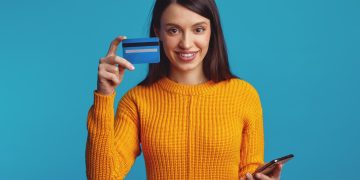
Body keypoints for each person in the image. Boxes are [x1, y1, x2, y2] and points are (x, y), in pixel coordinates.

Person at [86, 0, 282, 179]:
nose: (186, 44)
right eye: (173, 30)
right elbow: (102, 176)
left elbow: (249, 170)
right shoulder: (136, 100)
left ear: (212, 32)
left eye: (198, 29)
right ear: (158, 32)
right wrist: (104, 96)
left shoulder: (244, 95)